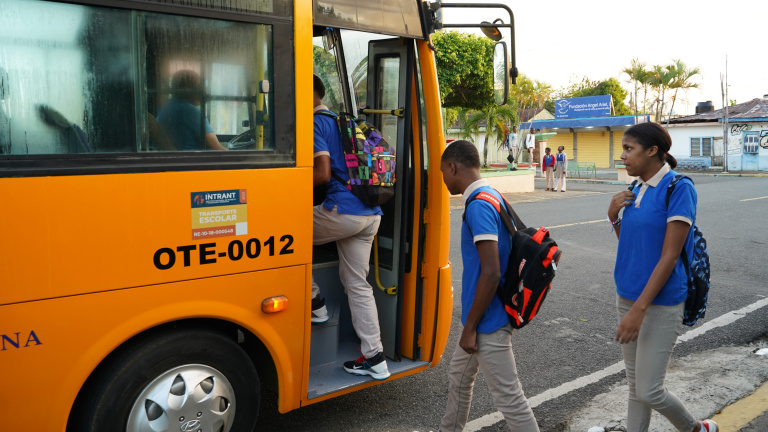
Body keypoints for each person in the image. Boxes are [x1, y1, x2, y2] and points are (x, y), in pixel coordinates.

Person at [607, 122, 718, 432]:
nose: (623, 156)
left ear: (653, 151)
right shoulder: (636, 187)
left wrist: (639, 310)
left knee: (649, 390)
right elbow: (633, 244)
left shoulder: (679, 188)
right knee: (634, 387)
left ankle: (695, 429)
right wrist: (612, 216)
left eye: (629, 149)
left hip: (661, 302)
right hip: (627, 295)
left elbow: (669, 255)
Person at [438, 139, 540, 432]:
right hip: (480, 315)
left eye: (443, 172)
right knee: (459, 379)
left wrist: (470, 327)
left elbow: (491, 272)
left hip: (487, 321)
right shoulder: (491, 194)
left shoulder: (478, 206)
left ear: (452, 167)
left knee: (510, 399)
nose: (444, 180)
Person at [311, 74, 389, 380]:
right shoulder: (344, 122)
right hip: (371, 213)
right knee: (357, 284)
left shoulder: (317, 123)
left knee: (278, 238)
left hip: (343, 211)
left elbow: (322, 173)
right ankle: (375, 357)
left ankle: (316, 303)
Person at [157, 69, 228, 151]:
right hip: (191, 161)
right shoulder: (190, 112)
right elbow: (217, 148)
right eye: (199, 86)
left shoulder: (166, 108)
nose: (204, 91)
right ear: (191, 90)